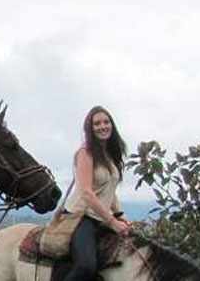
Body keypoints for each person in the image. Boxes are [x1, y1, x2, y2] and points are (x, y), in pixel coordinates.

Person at [63, 106, 131, 281]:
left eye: (106, 122)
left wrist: (120, 215)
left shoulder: (109, 155)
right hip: (81, 217)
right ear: (90, 129)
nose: (102, 126)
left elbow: (110, 190)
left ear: (112, 125)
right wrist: (112, 222)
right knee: (86, 266)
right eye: (97, 123)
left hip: (101, 216)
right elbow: (87, 192)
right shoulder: (85, 153)